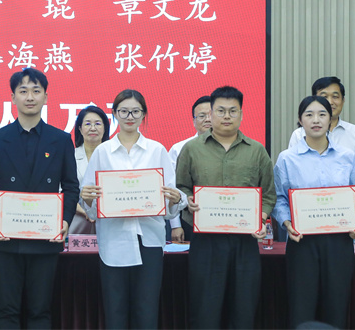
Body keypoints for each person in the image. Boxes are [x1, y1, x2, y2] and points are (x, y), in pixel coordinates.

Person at [0, 68, 79, 329]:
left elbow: (70, 186)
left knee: (40, 311)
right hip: (6, 238)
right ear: (13, 97)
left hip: (45, 237)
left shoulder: (61, 139)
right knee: (7, 311)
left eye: (36, 91)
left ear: (46, 97)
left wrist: (65, 220)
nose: (30, 97)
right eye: (23, 91)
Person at [80, 90, 186, 329]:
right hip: (113, 240)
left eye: (135, 111)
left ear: (143, 114)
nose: (130, 117)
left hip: (149, 239)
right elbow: (92, 208)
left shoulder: (157, 150)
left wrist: (174, 199)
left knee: (146, 310)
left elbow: (170, 207)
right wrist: (86, 199)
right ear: (115, 114)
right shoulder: (103, 152)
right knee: (115, 309)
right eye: (124, 111)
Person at [175, 86, 275, 329]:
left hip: (245, 242)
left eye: (233, 111)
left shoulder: (257, 151)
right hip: (205, 241)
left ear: (241, 114)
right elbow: (180, 187)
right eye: (220, 110)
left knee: (243, 311)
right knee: (205, 312)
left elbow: (268, 194)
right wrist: (187, 199)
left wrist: (261, 217)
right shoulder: (192, 149)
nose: (227, 116)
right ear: (211, 113)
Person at [274, 96, 355, 329]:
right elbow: (279, 198)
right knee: (301, 307)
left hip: (339, 242)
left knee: (336, 307)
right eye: (309, 115)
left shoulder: (347, 157)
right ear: (300, 120)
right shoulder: (287, 159)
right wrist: (287, 223)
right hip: (302, 242)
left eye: (322, 114)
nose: (316, 120)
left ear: (330, 119)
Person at [288, 76, 355, 208]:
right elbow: (291, 178)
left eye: (335, 96)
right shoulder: (299, 135)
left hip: (345, 213)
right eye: (324, 96)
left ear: (343, 100)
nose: (330, 102)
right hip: (307, 211)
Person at [167, 95, 211, 242]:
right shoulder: (179, 148)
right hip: (188, 218)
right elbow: (171, 188)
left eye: (211, 115)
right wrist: (175, 225)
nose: (207, 119)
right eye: (202, 116)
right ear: (194, 121)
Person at [70, 105, 111, 234]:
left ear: (105, 128)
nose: (93, 128)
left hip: (109, 221)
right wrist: (86, 211)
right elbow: (62, 192)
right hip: (77, 221)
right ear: (80, 129)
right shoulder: (70, 156)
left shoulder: (114, 157)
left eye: (98, 124)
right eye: (87, 124)